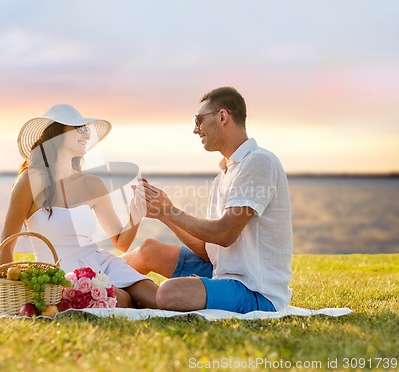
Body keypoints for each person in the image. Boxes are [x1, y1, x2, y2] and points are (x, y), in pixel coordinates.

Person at [125, 86, 293, 313]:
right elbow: (208, 250)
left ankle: (121, 298)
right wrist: (164, 213)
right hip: (220, 272)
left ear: (222, 116)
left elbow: (224, 234)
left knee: (169, 293)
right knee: (148, 250)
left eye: (199, 120)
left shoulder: (259, 161)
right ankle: (91, 284)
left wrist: (172, 211)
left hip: (254, 291)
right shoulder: (224, 173)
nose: (196, 130)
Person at [0, 104, 158, 308]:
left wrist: (137, 215)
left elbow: (120, 242)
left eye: (87, 129)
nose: (87, 134)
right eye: (80, 128)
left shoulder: (92, 184)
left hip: (102, 262)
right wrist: (9, 286)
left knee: (161, 298)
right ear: (56, 133)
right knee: (124, 300)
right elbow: (7, 241)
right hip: (63, 274)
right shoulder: (31, 180)